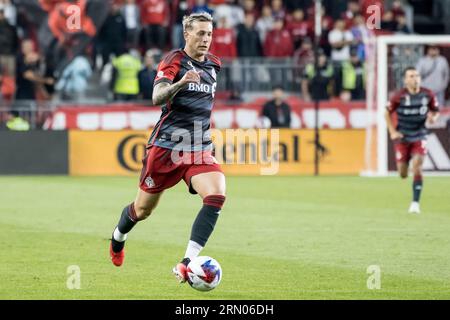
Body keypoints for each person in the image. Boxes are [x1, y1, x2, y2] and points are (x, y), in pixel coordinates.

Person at [109, 12, 226, 285]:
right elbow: (156, 97)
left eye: (209, 34)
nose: (205, 39)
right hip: (165, 148)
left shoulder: (214, 65)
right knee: (142, 211)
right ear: (187, 34)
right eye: (200, 33)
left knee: (217, 194)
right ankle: (117, 238)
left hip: (198, 145)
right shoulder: (174, 61)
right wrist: (181, 83)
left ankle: (187, 262)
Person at [385, 67, 439, 214]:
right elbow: (386, 112)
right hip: (403, 137)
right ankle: (406, 162)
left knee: (417, 166)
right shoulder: (399, 96)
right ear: (405, 80)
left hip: (420, 135)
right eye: (411, 76)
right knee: (402, 173)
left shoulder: (428, 94)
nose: (415, 78)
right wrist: (392, 131)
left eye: (417, 76)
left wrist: (433, 118)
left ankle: (415, 203)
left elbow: (435, 110)